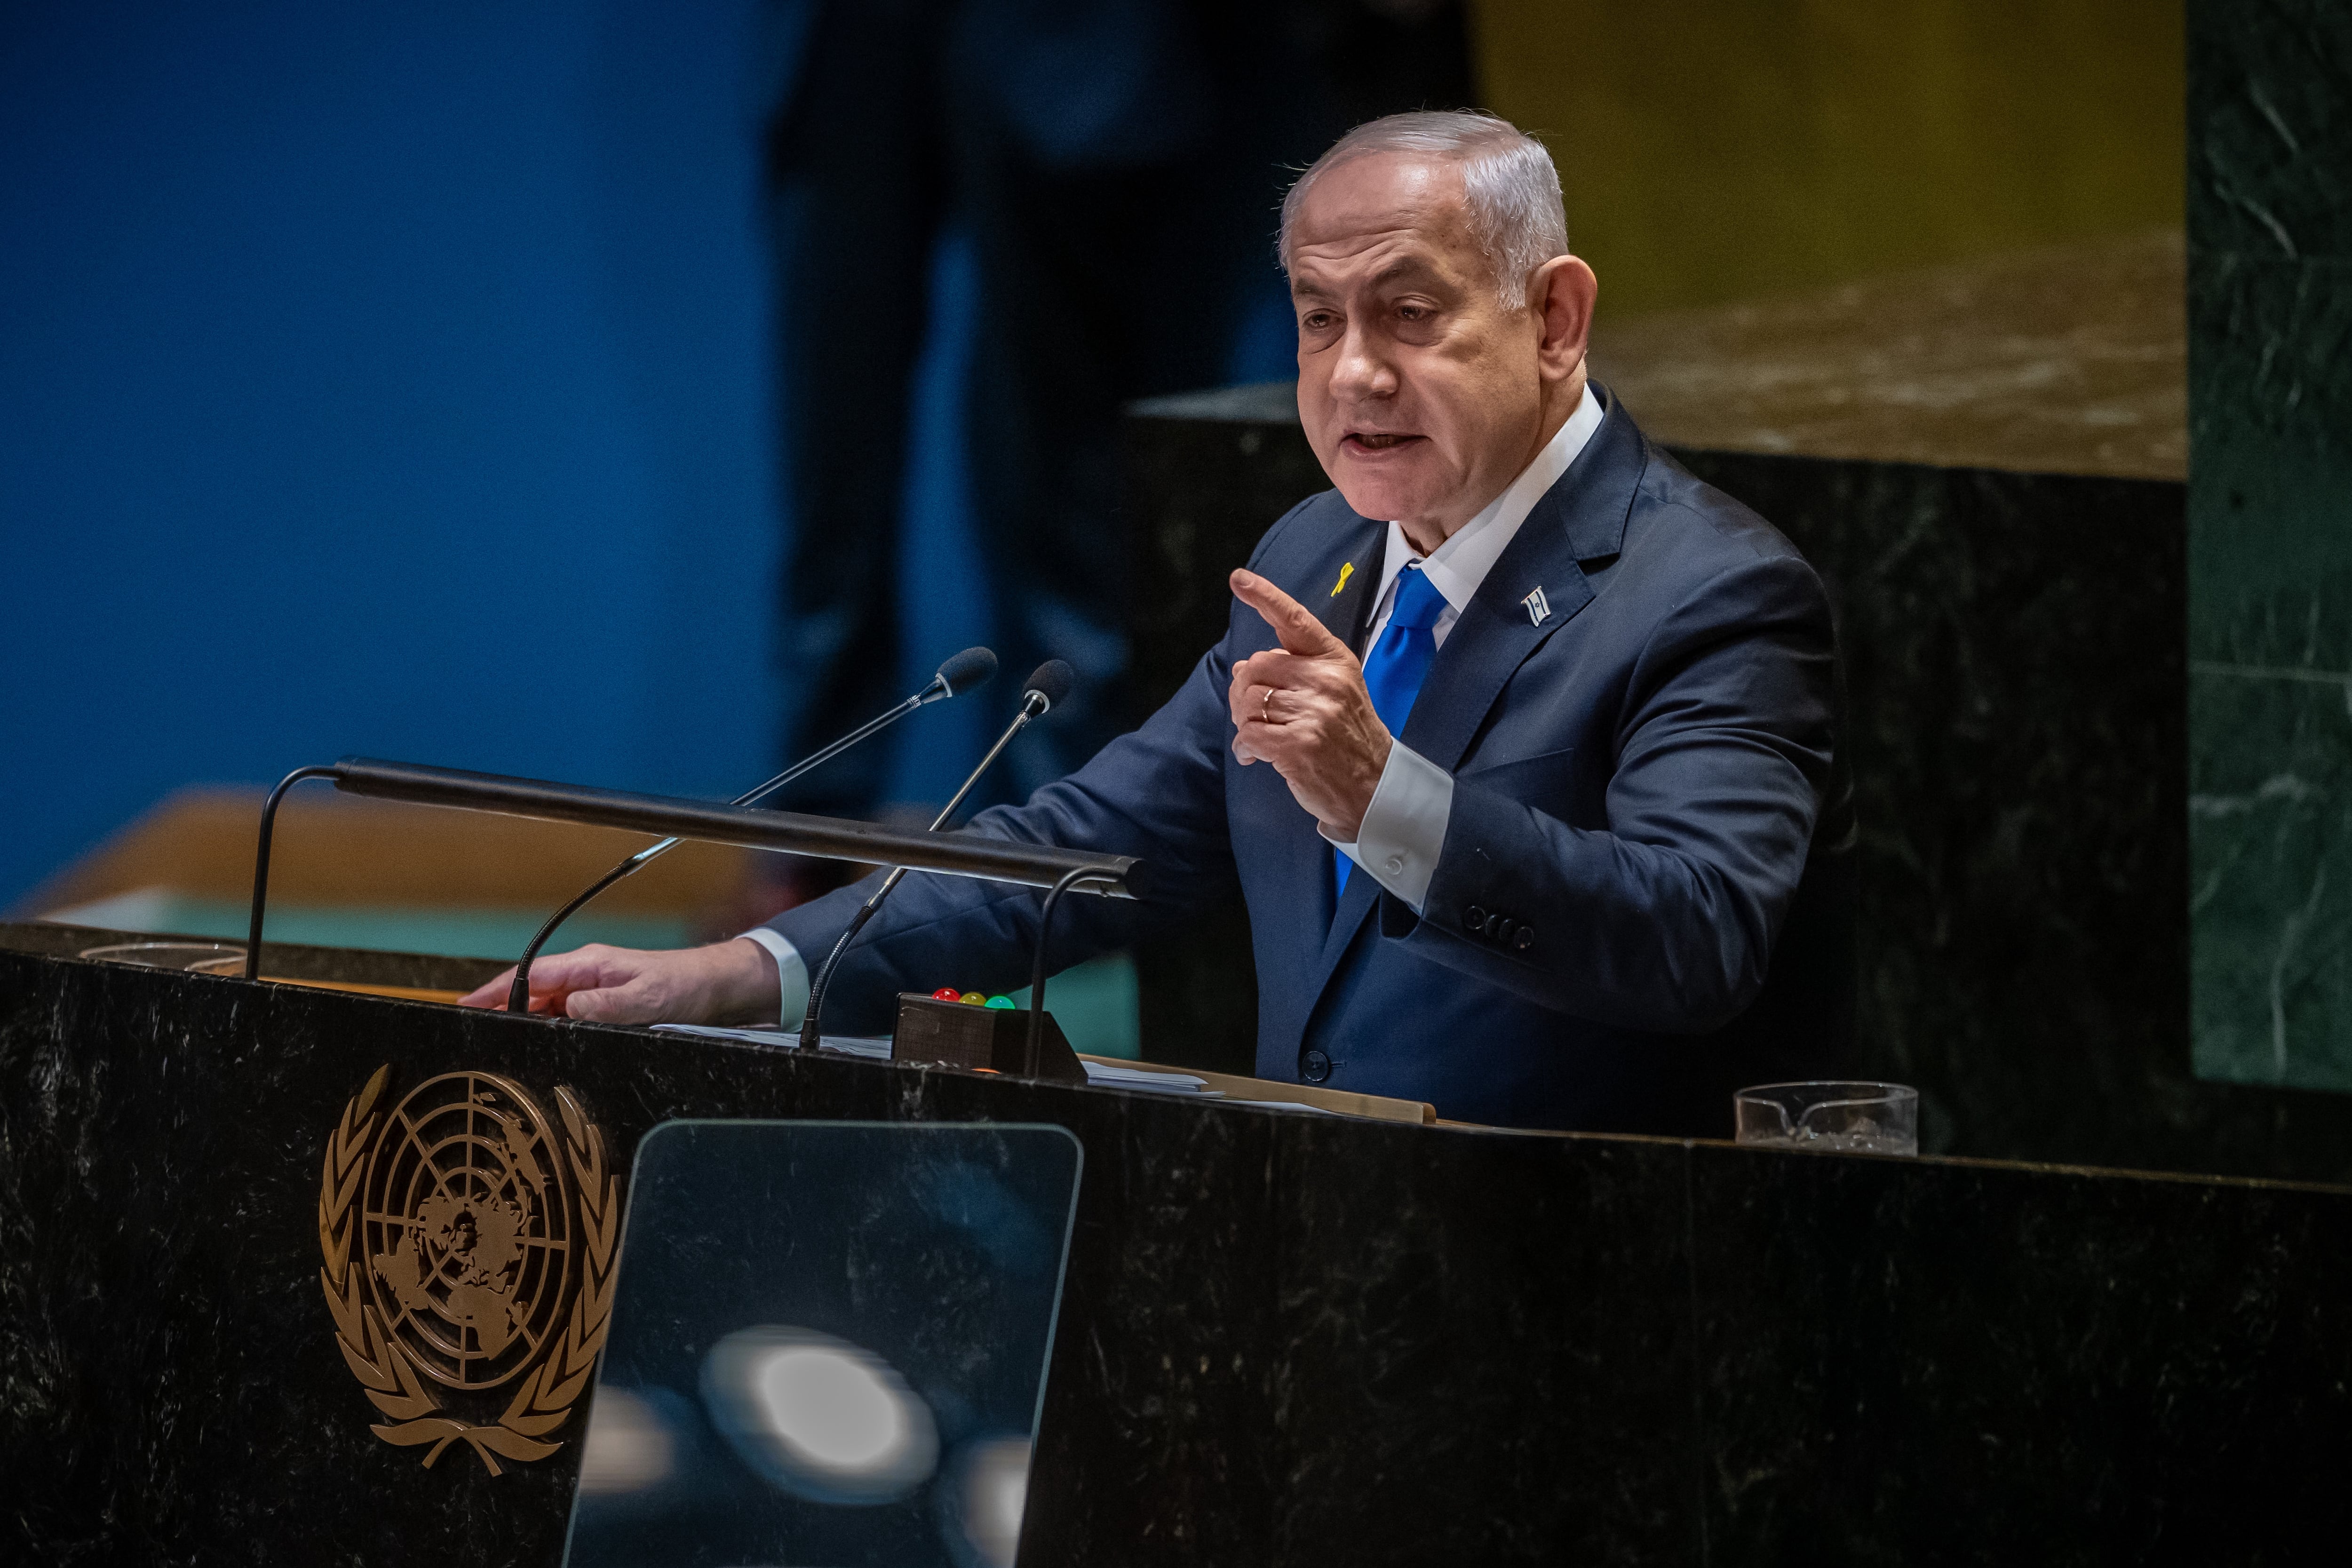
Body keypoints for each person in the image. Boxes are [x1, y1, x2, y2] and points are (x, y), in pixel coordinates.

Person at [465, 111, 1846, 1134]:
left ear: (1555, 318)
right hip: (1315, 1271)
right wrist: (737, 973)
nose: (1353, 371)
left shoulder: (1708, 594)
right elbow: (1082, 849)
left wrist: (1388, 801)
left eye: (1409, 313)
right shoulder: (1316, 560)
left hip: (1590, 1320)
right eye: (1317, 319)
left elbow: (1698, 938)